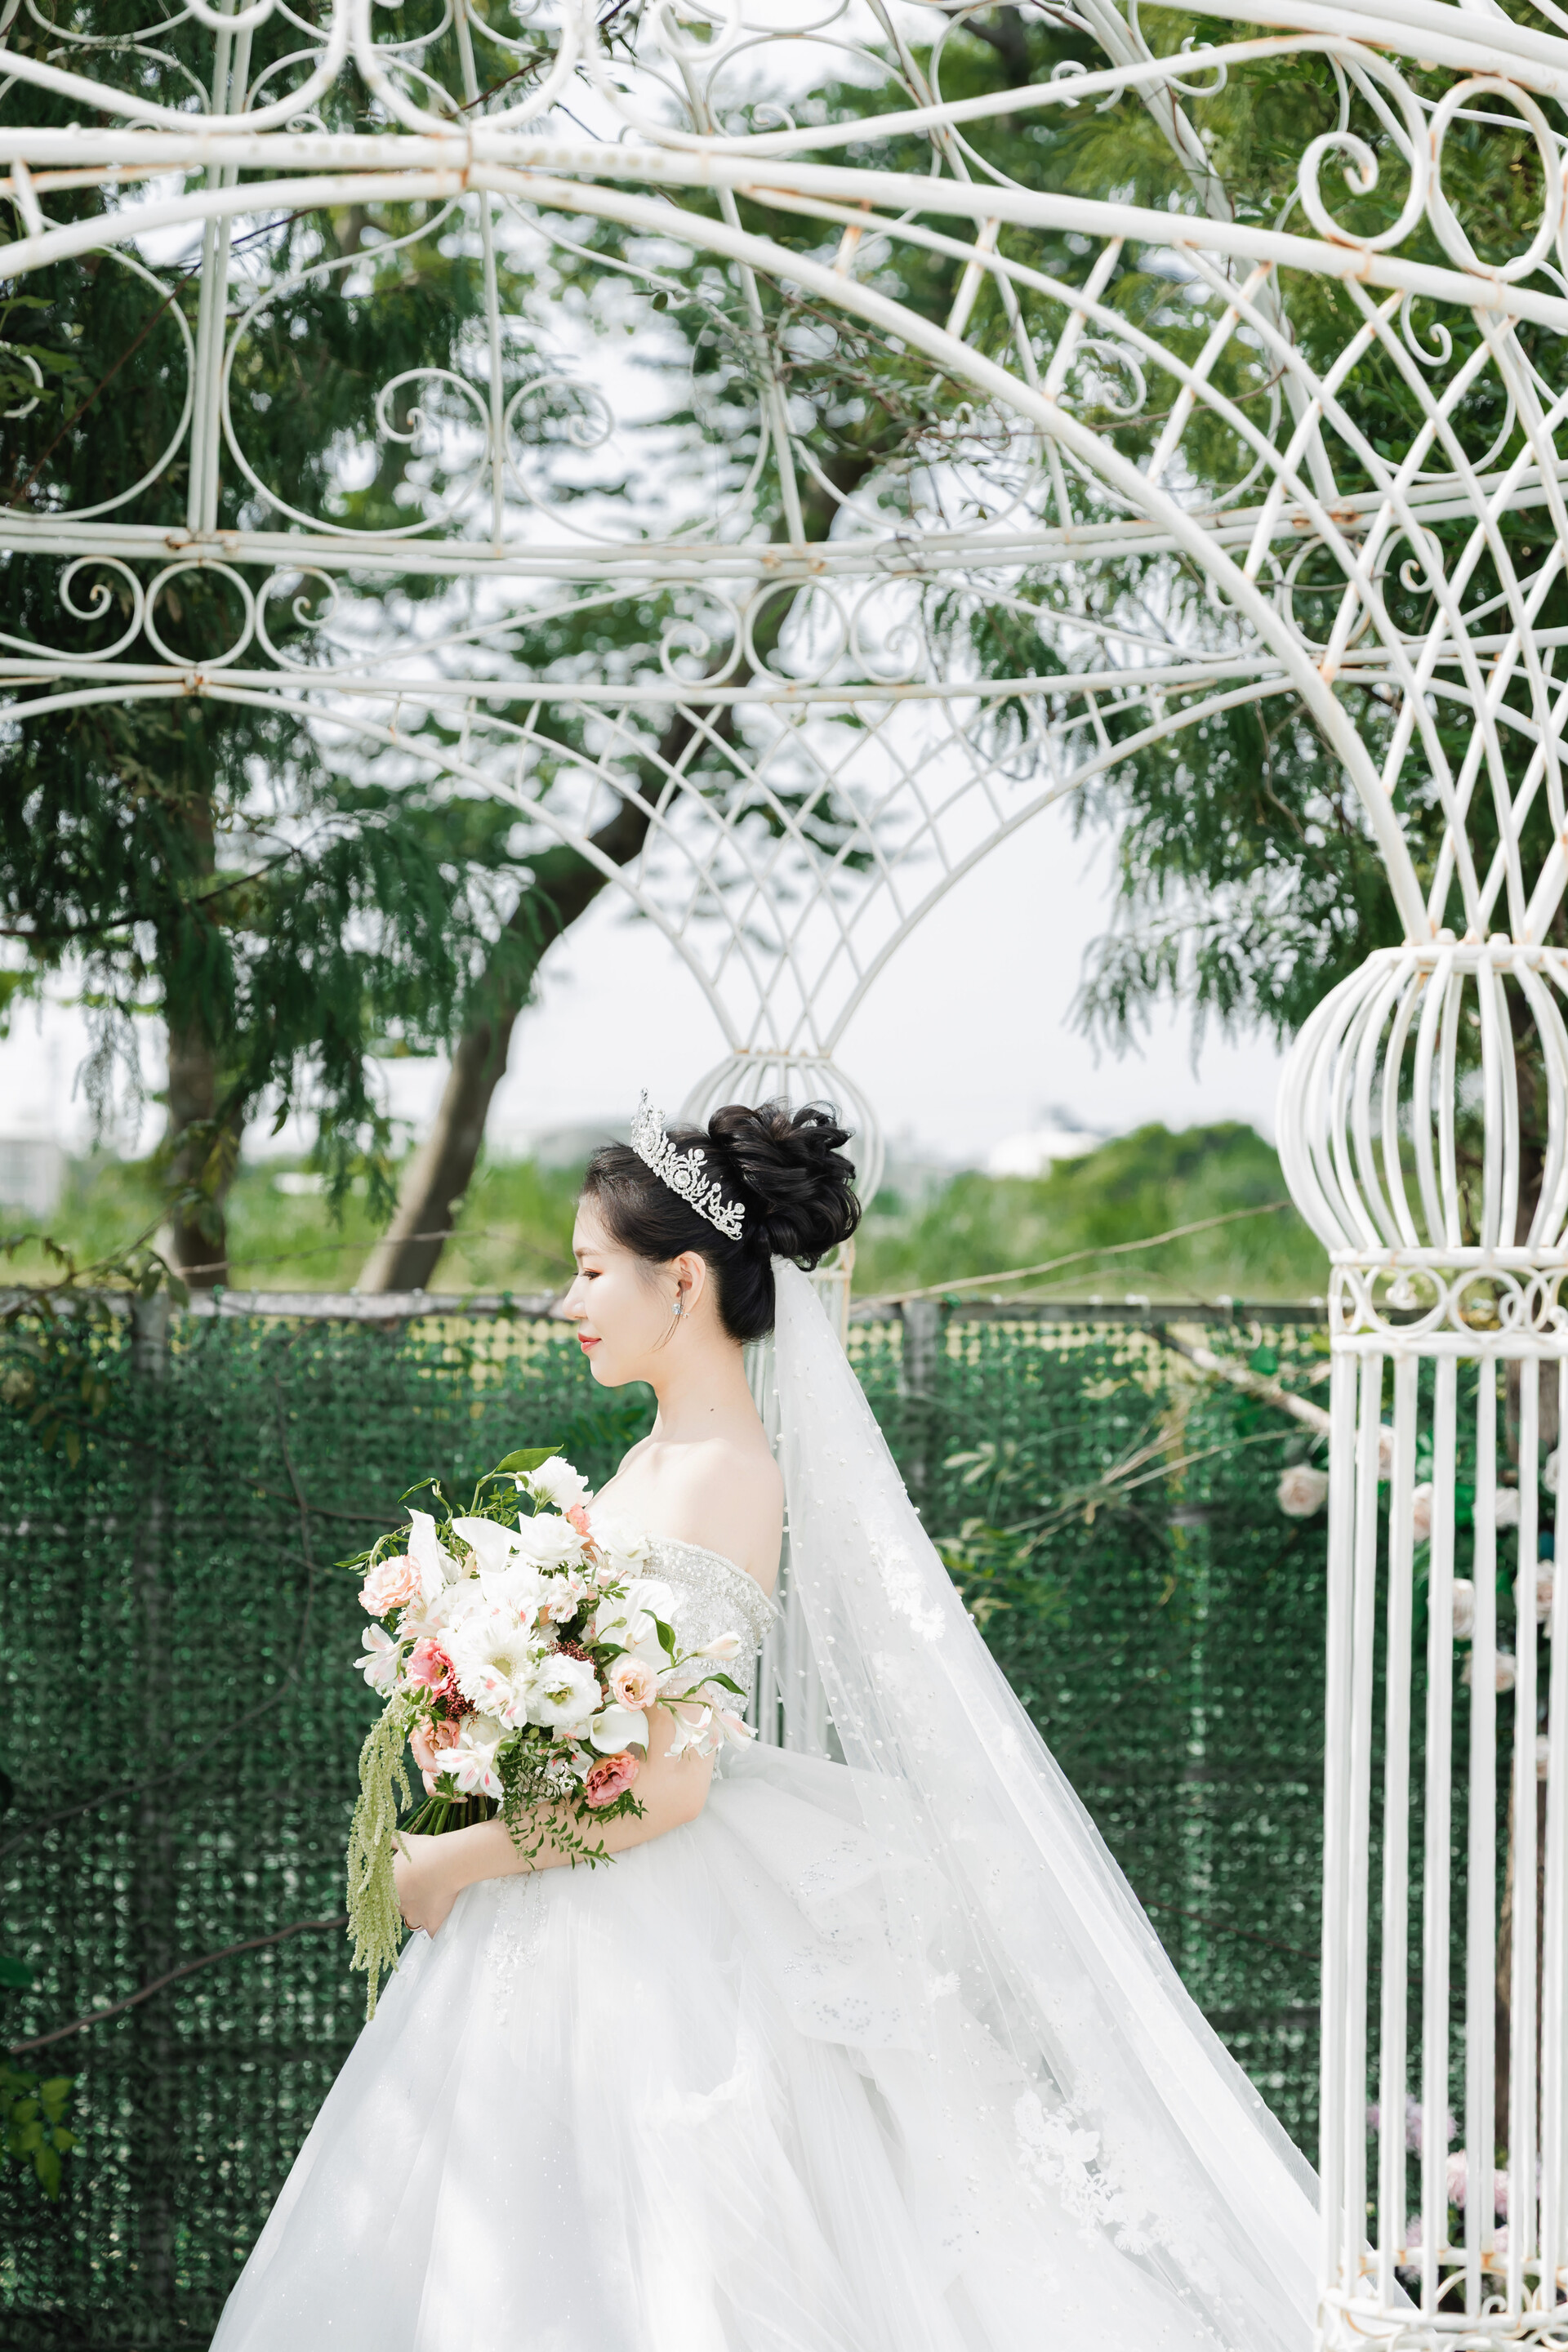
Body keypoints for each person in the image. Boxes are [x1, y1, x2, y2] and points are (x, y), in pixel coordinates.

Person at [212, 1098, 1320, 2352]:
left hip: (646, 1930)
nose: (568, 1304)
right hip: (569, 1897)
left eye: (590, 1272)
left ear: (681, 1279)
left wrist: (456, 1859)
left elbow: (673, 1783)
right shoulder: (654, 1458)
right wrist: (478, 1722)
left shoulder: (723, 1475)